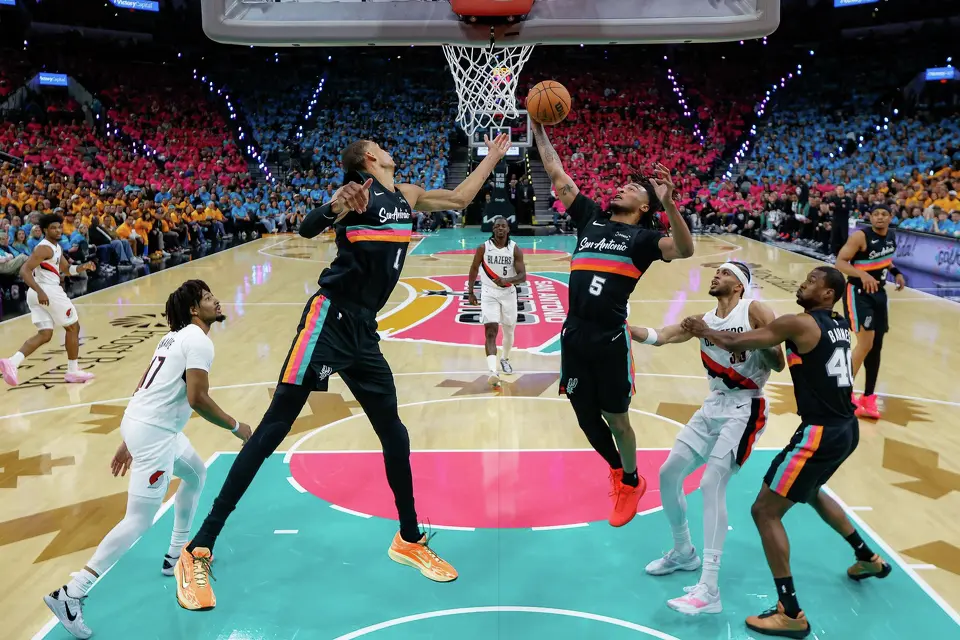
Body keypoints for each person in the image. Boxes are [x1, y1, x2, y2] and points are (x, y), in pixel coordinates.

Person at [174, 133, 514, 610]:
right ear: (369, 157)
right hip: (327, 320)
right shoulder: (355, 194)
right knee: (273, 428)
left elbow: (459, 198)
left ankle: (409, 538)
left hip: (362, 332)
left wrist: (492, 157)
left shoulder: (407, 195)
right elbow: (310, 229)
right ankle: (198, 547)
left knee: (394, 434)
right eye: (379, 145)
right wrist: (335, 206)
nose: (389, 148)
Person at [681, 266, 891, 638]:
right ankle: (866, 556)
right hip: (846, 428)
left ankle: (790, 611)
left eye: (812, 281)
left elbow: (737, 342)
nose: (802, 283)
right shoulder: (839, 324)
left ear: (828, 294)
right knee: (809, 492)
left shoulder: (799, 323)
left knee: (764, 510)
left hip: (819, 432)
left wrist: (704, 330)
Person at [42, 281, 252, 639]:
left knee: (196, 474)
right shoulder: (198, 340)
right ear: (193, 310)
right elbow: (198, 398)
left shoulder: (172, 338)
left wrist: (129, 437)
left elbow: (144, 384)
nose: (216, 300)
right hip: (155, 433)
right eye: (207, 298)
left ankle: (175, 555)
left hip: (149, 426)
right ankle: (71, 593)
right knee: (138, 520)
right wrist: (237, 427)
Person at [531, 121, 695, 528]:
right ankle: (622, 472)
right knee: (583, 413)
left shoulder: (644, 240)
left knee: (617, 419)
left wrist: (669, 204)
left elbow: (686, 249)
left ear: (644, 208)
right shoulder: (591, 218)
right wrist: (538, 128)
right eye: (622, 186)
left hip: (609, 341)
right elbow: (556, 173)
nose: (621, 188)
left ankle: (631, 480)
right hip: (573, 337)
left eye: (633, 190)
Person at [631, 262, 784, 615]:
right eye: (717, 273)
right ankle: (684, 553)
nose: (717, 276)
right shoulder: (703, 319)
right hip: (712, 406)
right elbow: (661, 335)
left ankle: (709, 589)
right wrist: (623, 329)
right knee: (669, 475)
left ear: (740, 285)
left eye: (726, 273)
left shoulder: (754, 309)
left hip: (746, 407)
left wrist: (716, 336)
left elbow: (777, 362)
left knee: (712, 482)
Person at [0, 214, 96, 387]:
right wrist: (40, 291)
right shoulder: (44, 248)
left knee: (45, 334)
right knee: (73, 327)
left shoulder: (56, 247)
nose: (58, 230)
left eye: (59, 227)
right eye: (54, 227)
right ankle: (73, 371)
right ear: (45, 230)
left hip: (39, 294)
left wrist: (84, 266)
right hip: (47, 291)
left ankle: (12, 362)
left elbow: (67, 270)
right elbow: (24, 271)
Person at [834, 207, 905, 420]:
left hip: (879, 294)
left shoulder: (891, 236)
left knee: (876, 347)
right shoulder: (860, 236)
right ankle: (843, 393)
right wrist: (862, 275)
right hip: (858, 293)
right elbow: (840, 262)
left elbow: (884, 259)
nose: (880, 217)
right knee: (865, 344)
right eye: (876, 214)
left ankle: (868, 396)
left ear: (890, 218)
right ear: (871, 218)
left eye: (884, 214)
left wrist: (896, 273)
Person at [467, 215, 526, 386]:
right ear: (493, 229)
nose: (500, 228)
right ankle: (493, 371)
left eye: (503, 226)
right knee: (491, 331)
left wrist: (508, 281)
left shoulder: (515, 249)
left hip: (508, 292)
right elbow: (473, 268)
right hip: (488, 293)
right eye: (497, 226)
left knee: (509, 330)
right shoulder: (483, 248)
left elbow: (523, 276)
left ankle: (505, 359)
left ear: (508, 229)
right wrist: (471, 292)